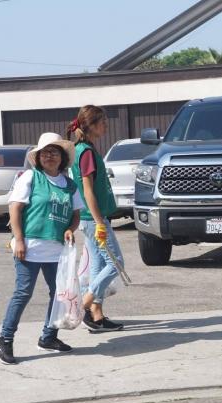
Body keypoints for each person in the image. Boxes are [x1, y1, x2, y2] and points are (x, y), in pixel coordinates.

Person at [0, 133, 83, 365]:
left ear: (62, 157)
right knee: (23, 293)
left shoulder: (70, 185)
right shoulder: (31, 177)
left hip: (56, 249)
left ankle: (49, 337)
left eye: (54, 152)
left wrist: (71, 229)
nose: (49, 156)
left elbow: (75, 216)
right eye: (45, 152)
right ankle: (5, 339)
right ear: (38, 157)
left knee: (59, 294)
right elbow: (15, 208)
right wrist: (19, 240)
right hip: (30, 247)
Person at [68, 105, 125, 331]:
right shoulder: (87, 153)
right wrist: (99, 221)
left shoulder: (81, 149)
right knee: (116, 263)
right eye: (102, 122)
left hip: (88, 218)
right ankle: (83, 306)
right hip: (93, 219)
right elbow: (88, 190)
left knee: (98, 264)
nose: (106, 126)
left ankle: (96, 315)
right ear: (89, 125)